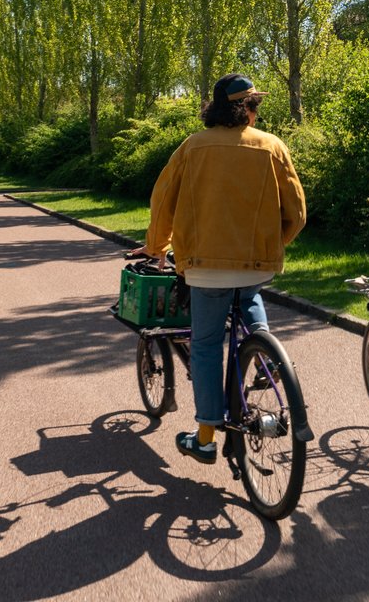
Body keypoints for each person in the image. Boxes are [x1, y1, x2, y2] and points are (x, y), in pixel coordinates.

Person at [128, 73, 307, 464]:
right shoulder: (273, 147)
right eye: (254, 105)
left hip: (205, 267)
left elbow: (163, 202)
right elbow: (297, 214)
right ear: (244, 109)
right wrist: (271, 246)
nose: (257, 112)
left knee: (208, 346)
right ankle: (265, 354)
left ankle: (206, 436)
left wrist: (157, 247)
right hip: (256, 265)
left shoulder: (192, 147)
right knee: (251, 296)